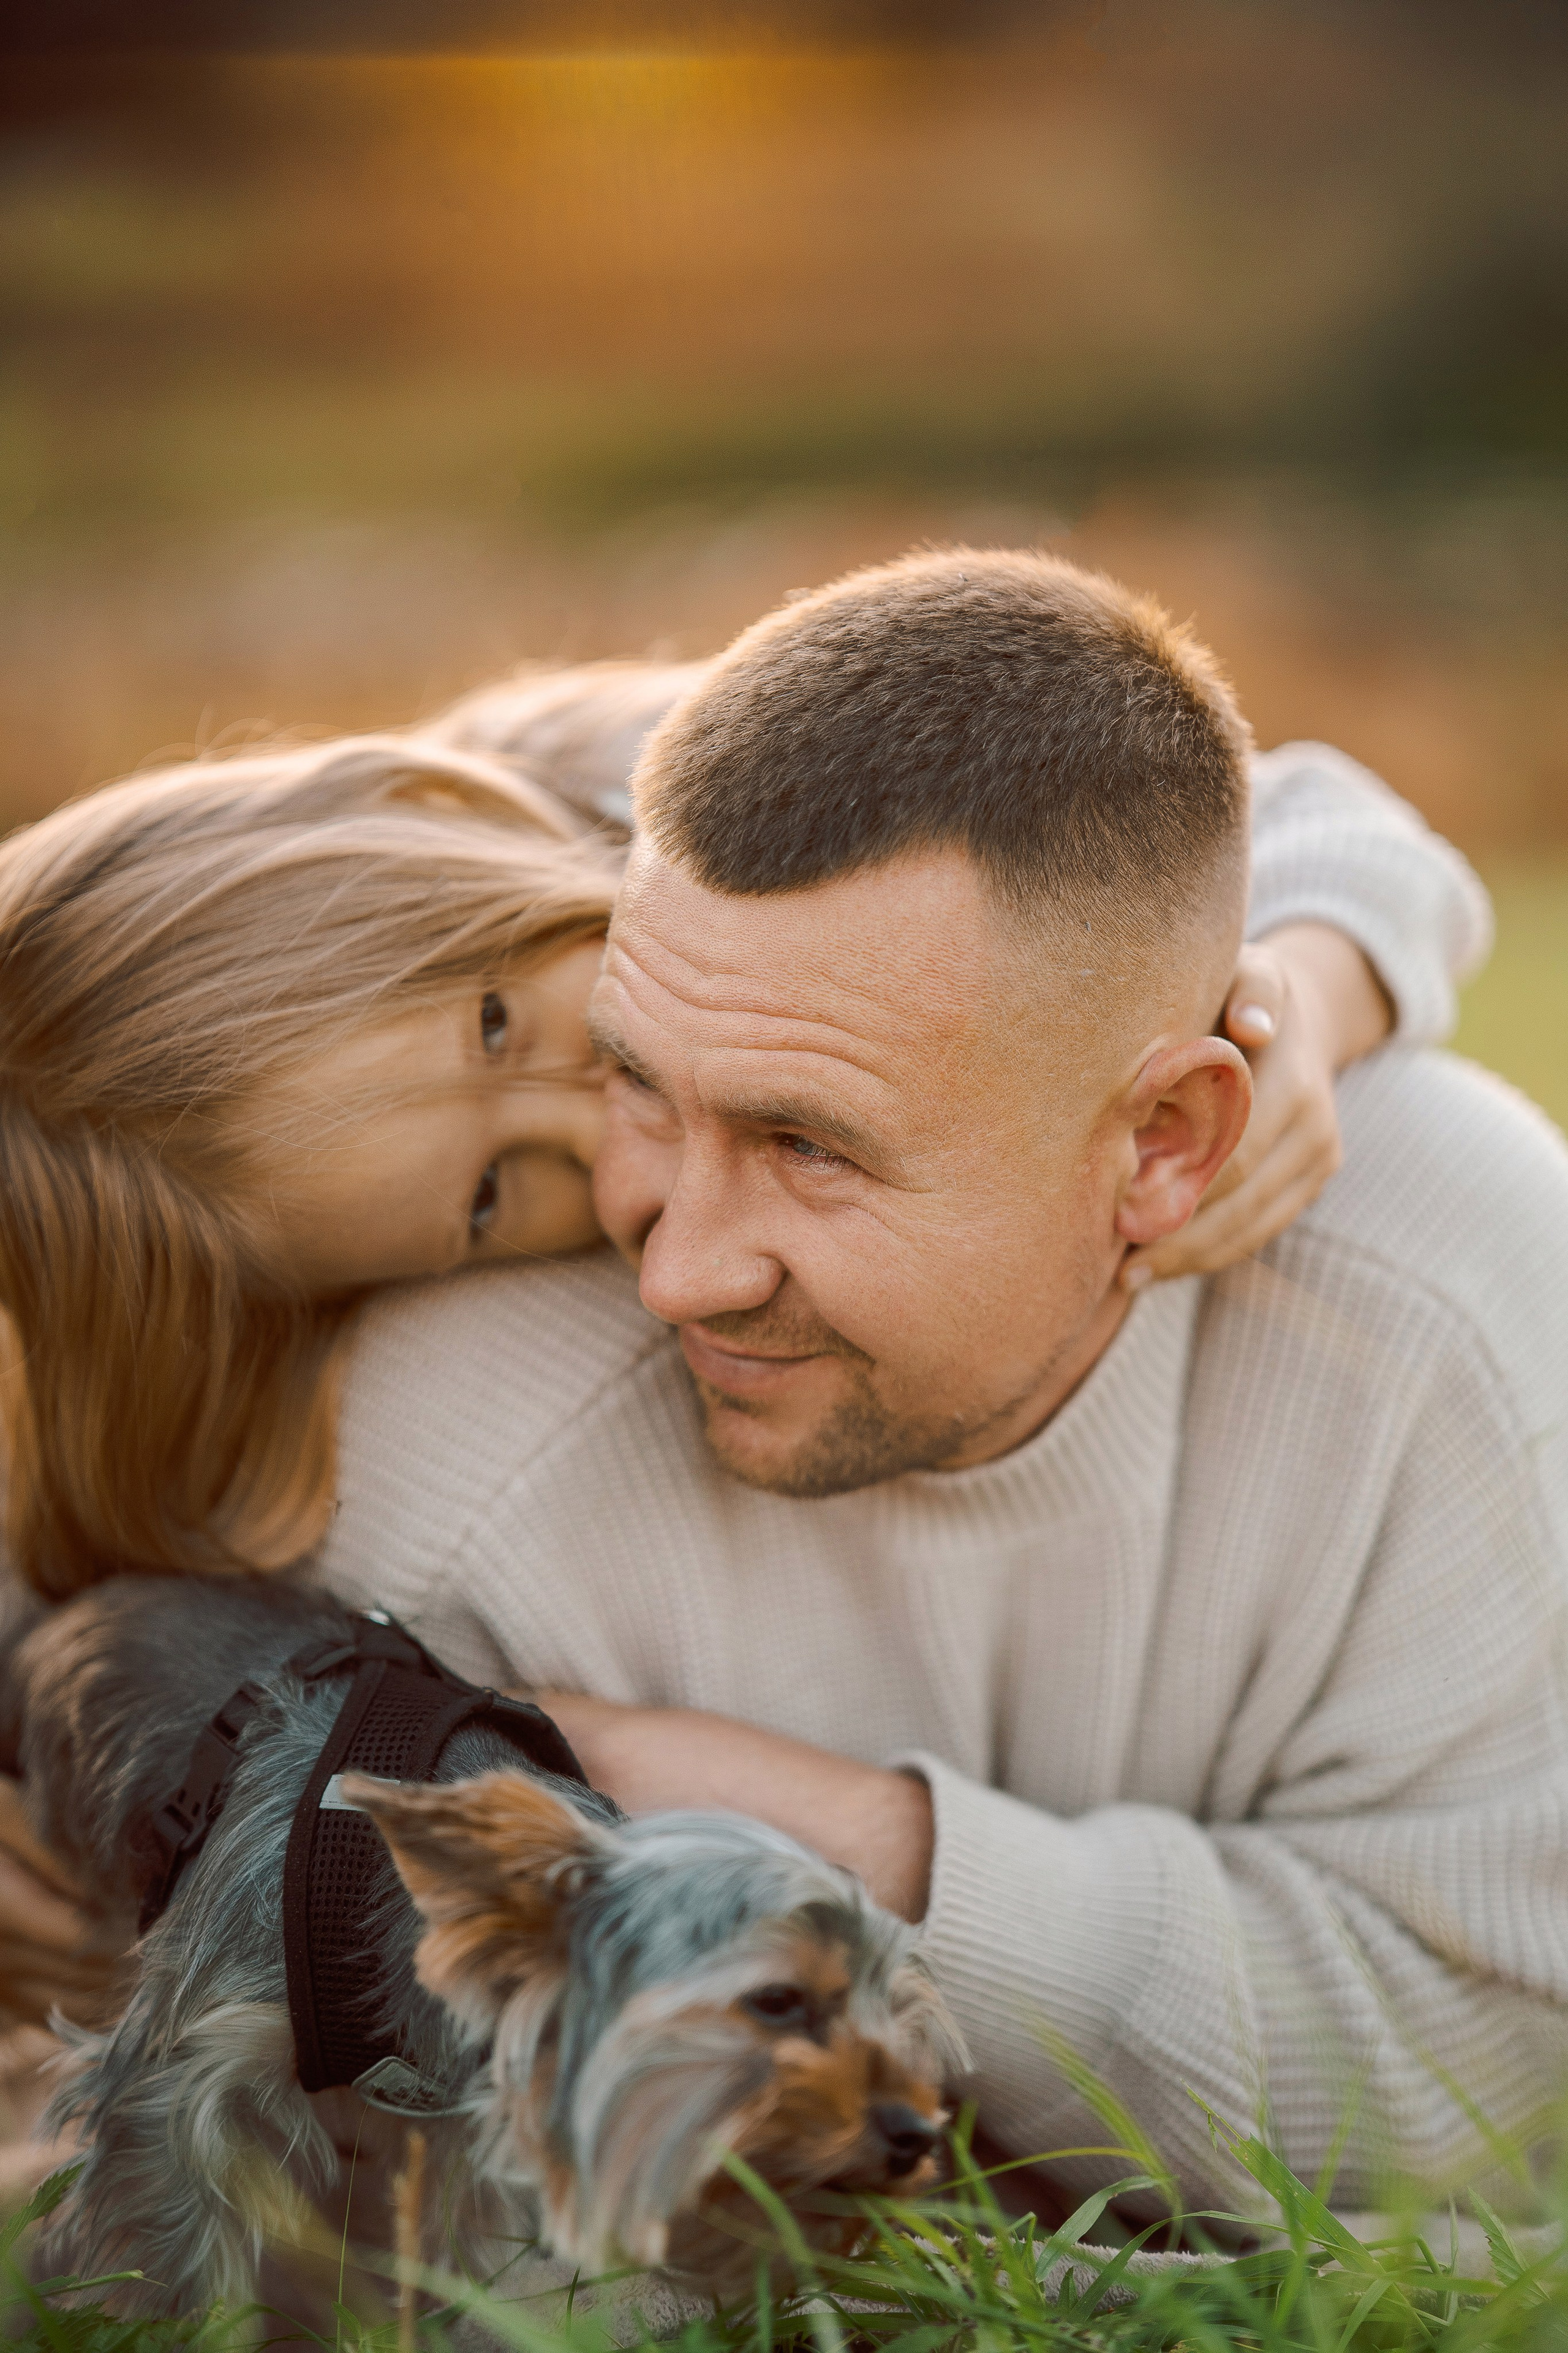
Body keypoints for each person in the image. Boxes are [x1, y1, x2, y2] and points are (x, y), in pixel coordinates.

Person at [0, 593, 1492, 2083]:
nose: (591, 1127)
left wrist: (1308, 978)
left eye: (500, 1027)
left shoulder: (619, 784)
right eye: (480, 1201)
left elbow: (1239, 803)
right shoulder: (413, 1437)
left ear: (416, 825)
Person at [306, 552, 1568, 2227]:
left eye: (807, 1145)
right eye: (641, 1082)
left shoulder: (1451, 1300)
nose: (673, 1266)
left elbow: (1493, 2077)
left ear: (1169, 1141)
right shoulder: (443, 1422)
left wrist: (844, 1840)